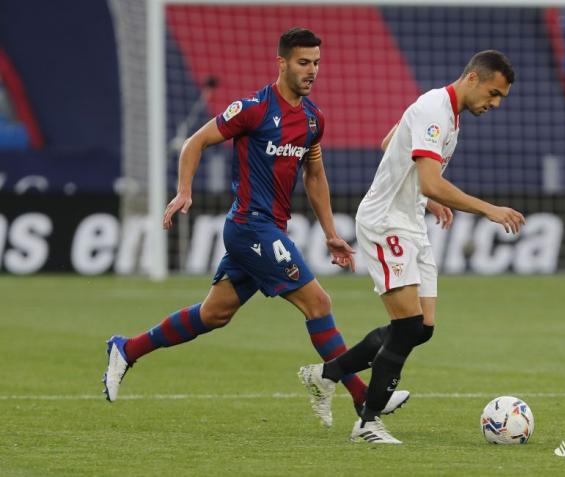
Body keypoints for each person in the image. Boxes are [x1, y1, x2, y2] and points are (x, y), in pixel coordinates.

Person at [102, 27, 409, 425]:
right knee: (318, 303)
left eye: (316, 63)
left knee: (215, 314)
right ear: (281, 63)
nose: (311, 71)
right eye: (303, 63)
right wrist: (184, 191)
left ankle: (126, 349)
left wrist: (331, 233)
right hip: (250, 226)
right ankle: (363, 397)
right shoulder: (252, 109)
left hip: (269, 229)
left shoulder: (313, 120)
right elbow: (195, 142)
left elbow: (315, 175)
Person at [299, 50, 525, 443]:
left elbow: (392, 141)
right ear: (472, 78)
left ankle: (325, 374)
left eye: (500, 98)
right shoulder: (435, 109)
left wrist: (424, 194)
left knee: (423, 329)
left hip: (410, 221)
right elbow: (430, 179)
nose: (494, 104)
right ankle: (368, 422)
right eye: (493, 93)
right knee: (405, 326)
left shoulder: (445, 114)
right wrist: (486, 208)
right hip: (386, 221)